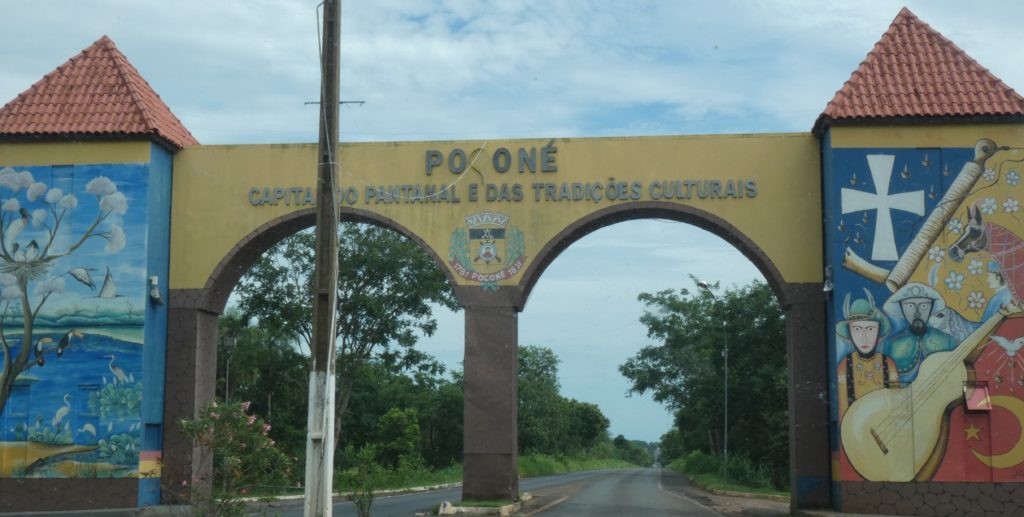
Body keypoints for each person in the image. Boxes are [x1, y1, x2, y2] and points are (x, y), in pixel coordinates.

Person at [836, 291, 897, 420]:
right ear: (850, 333)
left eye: (870, 329)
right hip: (853, 433)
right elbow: (843, 413)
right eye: (857, 329)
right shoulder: (844, 367)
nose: (864, 338)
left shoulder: (888, 364)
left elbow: (896, 405)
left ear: (879, 331)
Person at [882, 283, 958, 384]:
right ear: (901, 309)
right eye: (910, 306)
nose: (917, 313)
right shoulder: (890, 345)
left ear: (931, 308)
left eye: (923, 306)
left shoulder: (949, 341)